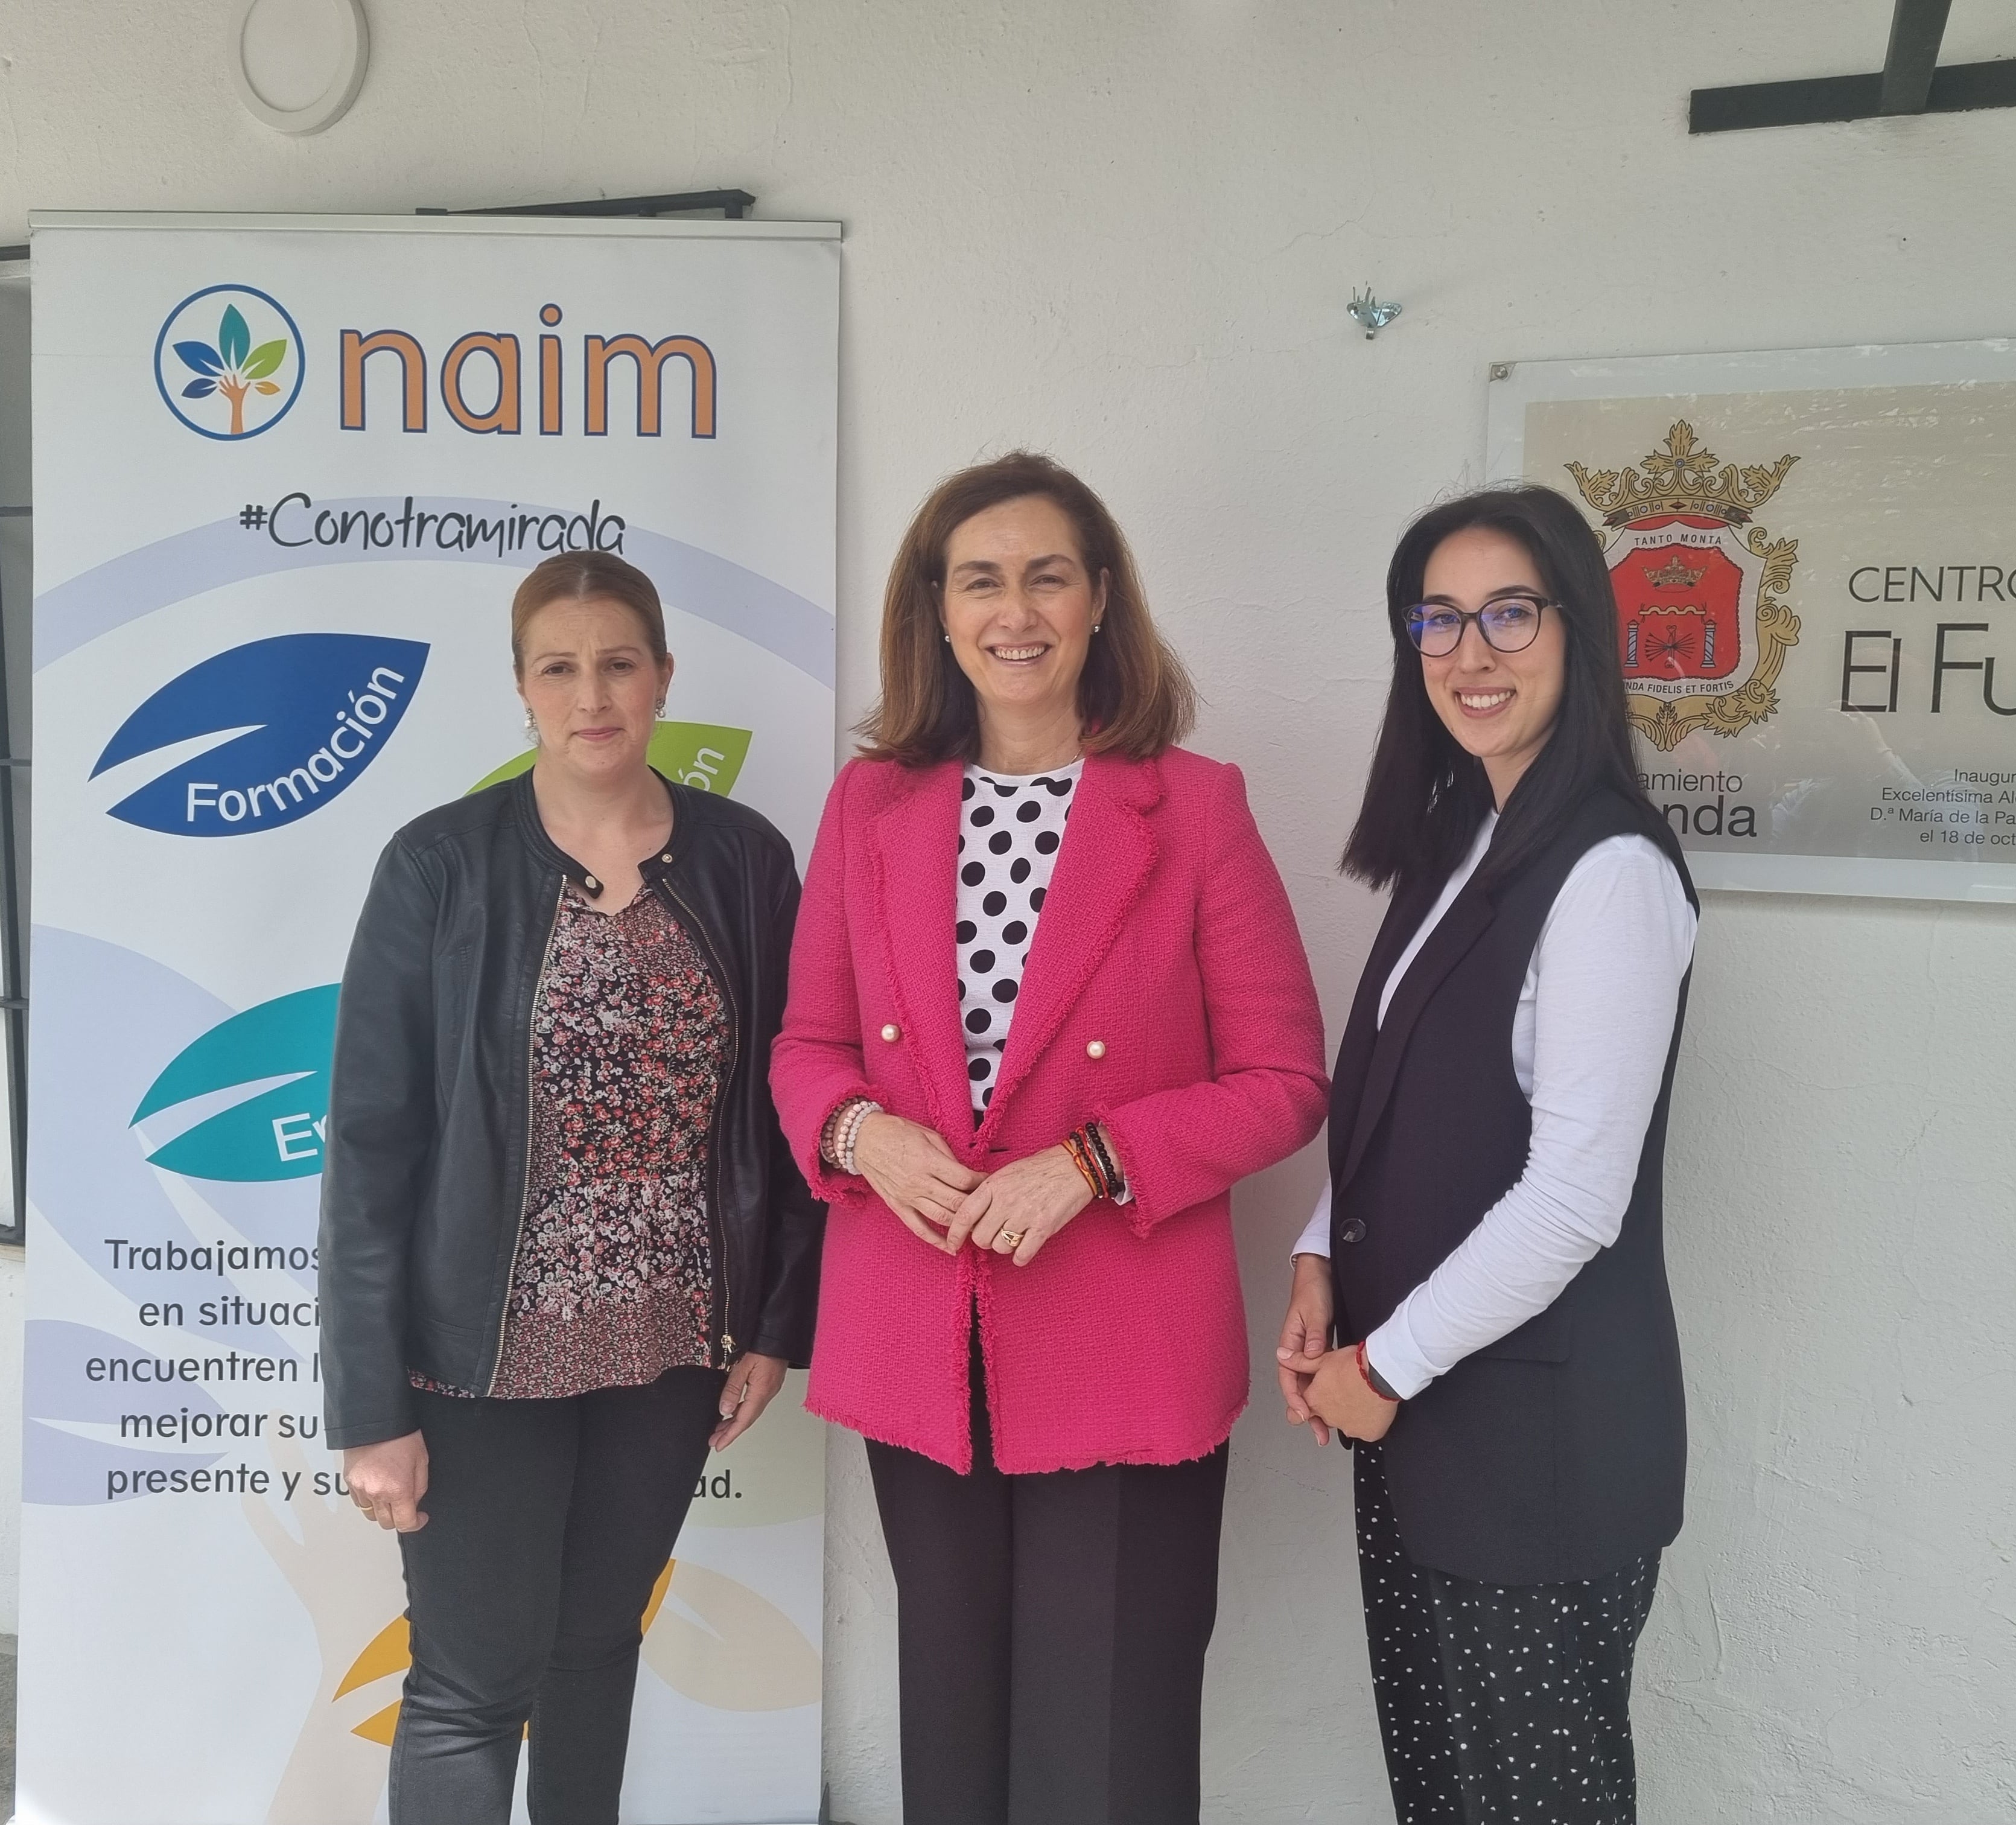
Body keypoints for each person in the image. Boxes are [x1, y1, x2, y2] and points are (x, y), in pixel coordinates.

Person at [774, 451, 1328, 1825]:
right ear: (938, 610)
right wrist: (861, 1138)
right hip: (920, 1336)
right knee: (952, 1734)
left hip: (1120, 1345)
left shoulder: (1193, 809)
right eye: (979, 579)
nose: (1012, 609)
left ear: (1097, 604)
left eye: (1045, 575)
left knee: (1107, 1748)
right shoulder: (872, 804)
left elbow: (1283, 1077)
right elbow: (806, 1049)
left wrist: (1092, 1163)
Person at [320, 550, 822, 1825]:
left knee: (598, 1653)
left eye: (617, 663)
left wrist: (774, 1323)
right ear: (522, 688)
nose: (591, 693)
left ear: (662, 677)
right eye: (560, 667)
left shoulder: (747, 861)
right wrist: (366, 1405)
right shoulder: (438, 868)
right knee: (470, 1684)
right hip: (480, 1359)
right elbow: (371, 1144)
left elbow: (789, 1100)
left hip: (667, 1348)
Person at [1278, 485, 1699, 1825]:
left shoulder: (1609, 873)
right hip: (1423, 1423)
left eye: (1508, 612)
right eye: (1438, 619)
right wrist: (1314, 1260)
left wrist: (1381, 1365)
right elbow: (1400, 1100)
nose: (1471, 652)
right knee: (1448, 1798)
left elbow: (1576, 1196)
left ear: (1576, 630)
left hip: (1537, 1454)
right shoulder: (1458, 841)